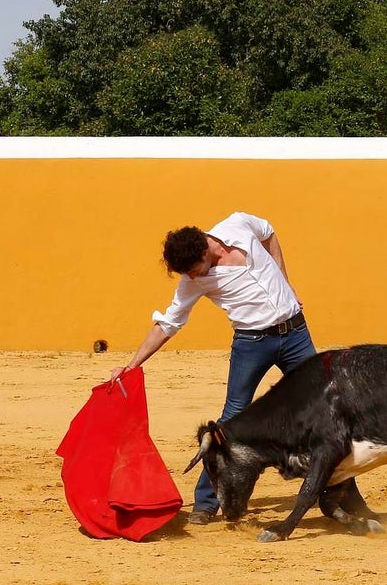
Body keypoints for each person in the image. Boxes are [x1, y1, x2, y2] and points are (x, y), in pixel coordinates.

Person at [111, 211, 316, 525]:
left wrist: (285, 281)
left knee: (322, 408)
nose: (192, 278)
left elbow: (270, 233)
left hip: (296, 334)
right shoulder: (192, 283)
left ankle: (340, 494)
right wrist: (131, 365)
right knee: (232, 417)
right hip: (253, 343)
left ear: (206, 249)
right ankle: (206, 502)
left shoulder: (238, 224)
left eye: (194, 270)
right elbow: (167, 324)